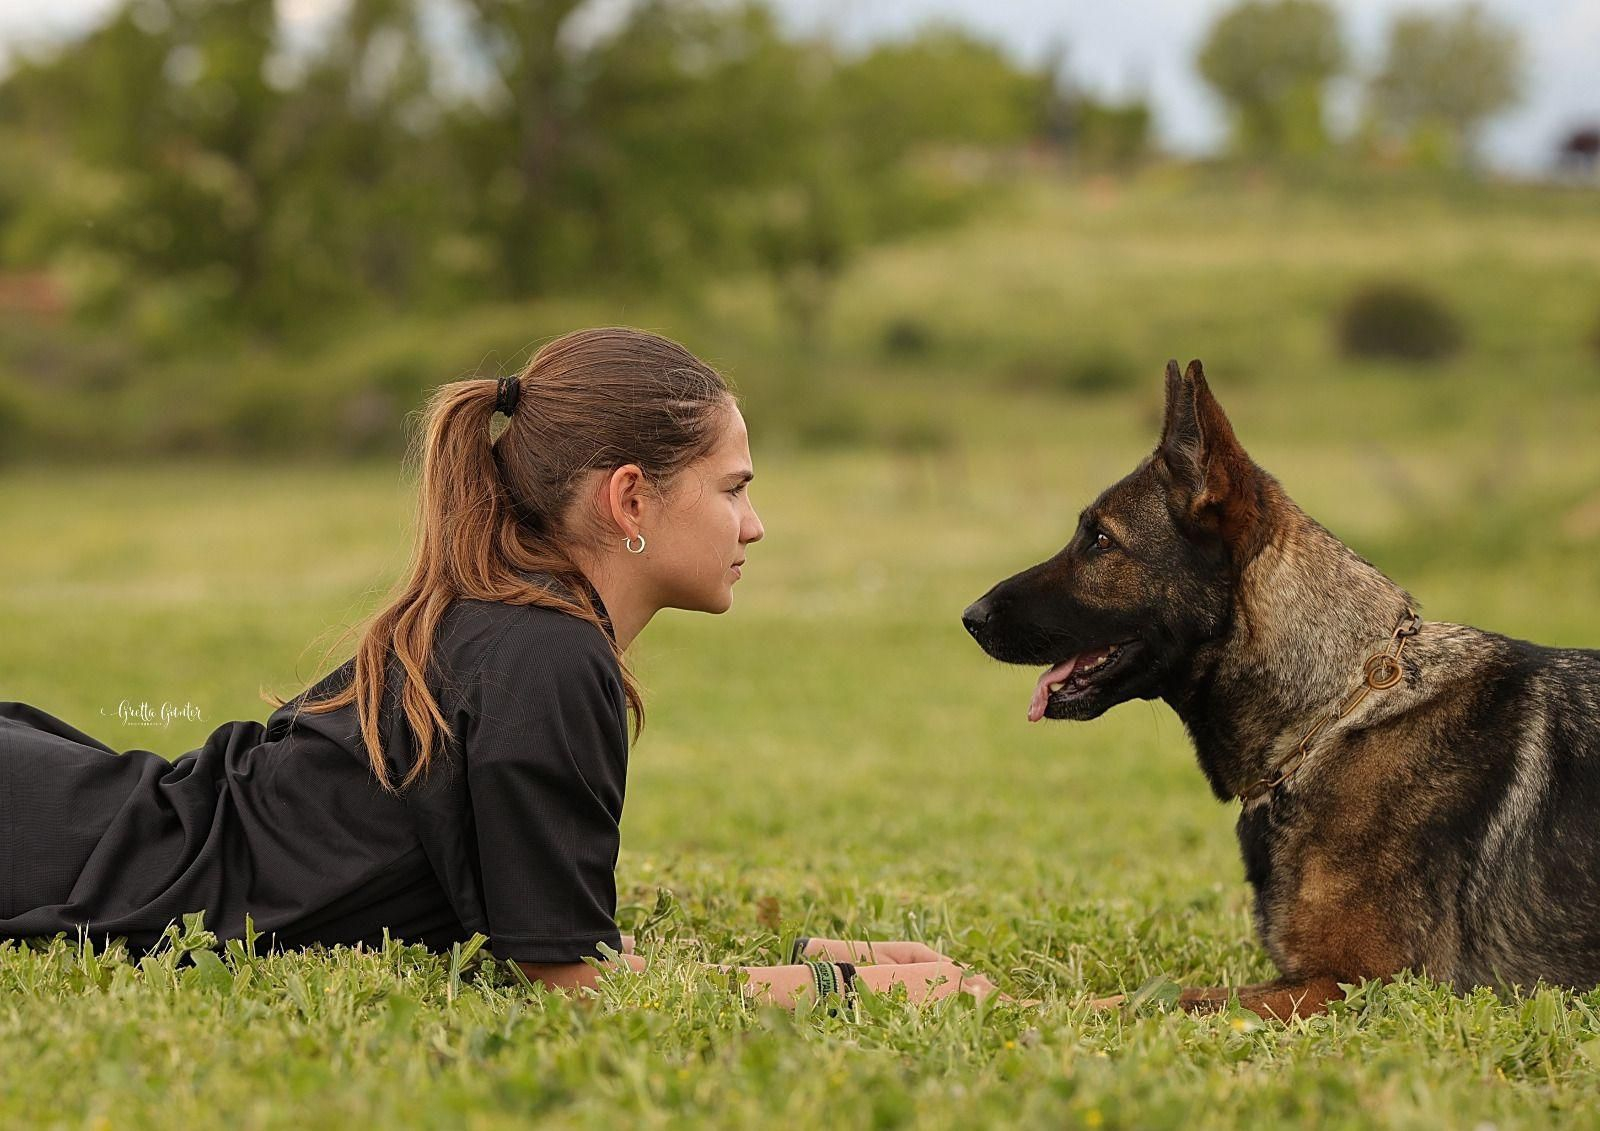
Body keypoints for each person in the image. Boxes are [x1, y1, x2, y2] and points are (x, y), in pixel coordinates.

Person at [0, 327, 1001, 1008]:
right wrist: (850, 990)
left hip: (75, 817)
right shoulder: (547, 653)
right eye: (731, 488)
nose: (754, 524)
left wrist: (814, 955)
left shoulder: (525, 627)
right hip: (63, 844)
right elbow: (567, 987)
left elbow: (554, 940)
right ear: (629, 500)